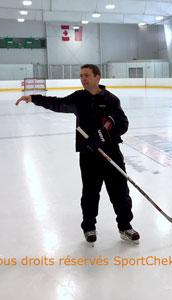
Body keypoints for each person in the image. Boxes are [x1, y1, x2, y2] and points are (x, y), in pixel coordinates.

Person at [16, 64, 140, 244]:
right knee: (90, 193)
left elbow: (123, 124)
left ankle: (125, 227)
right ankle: (89, 227)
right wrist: (34, 98)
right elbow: (57, 103)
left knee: (120, 192)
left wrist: (107, 132)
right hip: (89, 154)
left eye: (87, 75)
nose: (83, 79)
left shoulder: (111, 99)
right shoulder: (79, 98)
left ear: (98, 77)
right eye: (81, 75)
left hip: (111, 152)